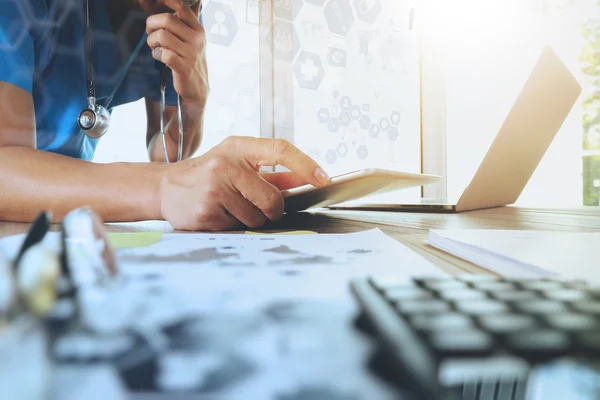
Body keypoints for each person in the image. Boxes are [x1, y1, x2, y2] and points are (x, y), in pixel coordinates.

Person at [0, 0, 330, 231]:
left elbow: (163, 153)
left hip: (65, 222)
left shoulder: (171, 15)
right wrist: (163, 188)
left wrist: (195, 103)